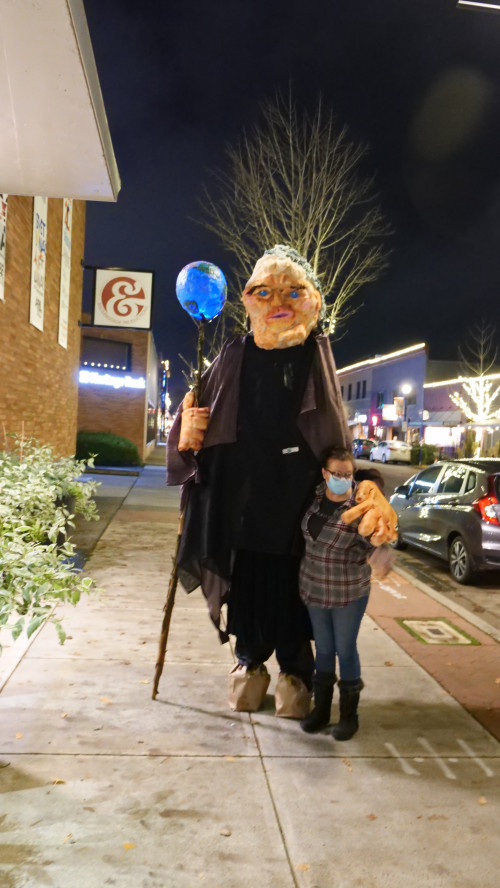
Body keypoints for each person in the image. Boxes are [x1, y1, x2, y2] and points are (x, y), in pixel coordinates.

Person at [166, 245, 350, 717]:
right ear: (247, 300)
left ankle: (295, 673)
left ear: (315, 300)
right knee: (246, 590)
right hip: (242, 502)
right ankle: (249, 663)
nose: (277, 302)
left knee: (295, 596)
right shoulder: (231, 354)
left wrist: (345, 480)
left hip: (298, 511)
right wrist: (187, 433)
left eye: (293, 291)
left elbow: (335, 435)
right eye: (263, 292)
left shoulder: (316, 357)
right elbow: (194, 417)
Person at [299, 446, 376, 740]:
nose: (343, 479)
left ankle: (348, 715)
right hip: (313, 587)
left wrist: (382, 549)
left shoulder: (364, 505)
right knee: (324, 650)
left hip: (347, 591)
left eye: (348, 474)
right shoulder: (316, 496)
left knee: (345, 650)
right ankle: (321, 711)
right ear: (325, 473)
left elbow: (382, 538)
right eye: (337, 474)